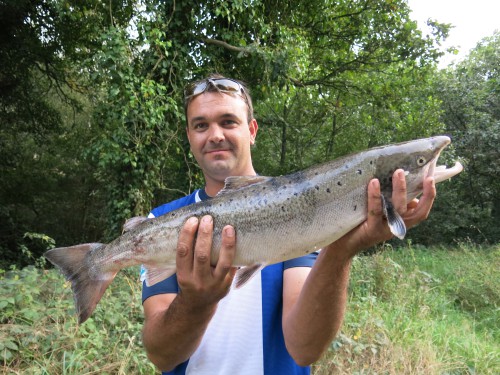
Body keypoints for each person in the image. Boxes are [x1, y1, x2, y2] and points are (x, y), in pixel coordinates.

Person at [140, 75, 437, 374]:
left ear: (252, 130)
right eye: (201, 125)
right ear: (189, 136)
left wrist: (341, 250)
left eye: (228, 121)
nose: (215, 134)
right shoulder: (157, 222)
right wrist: (196, 303)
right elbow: (162, 357)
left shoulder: (300, 205)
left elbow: (304, 349)